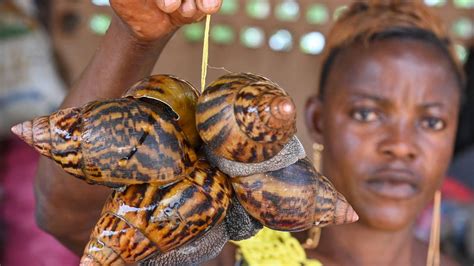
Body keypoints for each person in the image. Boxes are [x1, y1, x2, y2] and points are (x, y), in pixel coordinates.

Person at [31, 1, 464, 266]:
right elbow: (65, 214)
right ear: (317, 119)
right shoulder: (232, 252)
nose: (401, 146)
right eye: (368, 114)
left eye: (431, 122)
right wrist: (136, 36)